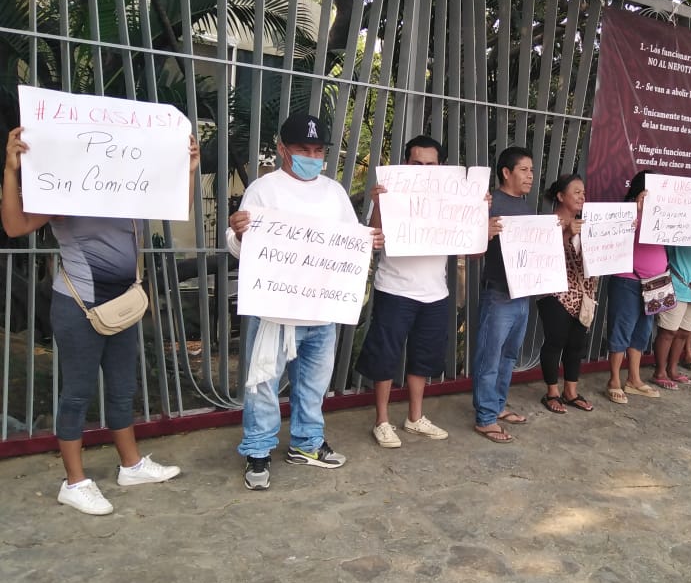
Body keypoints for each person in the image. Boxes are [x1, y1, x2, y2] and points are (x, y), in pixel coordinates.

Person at [2, 126, 198, 515]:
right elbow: (14, 226)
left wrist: (189, 168)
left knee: (124, 387)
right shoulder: (63, 192)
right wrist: (10, 170)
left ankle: (132, 465)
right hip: (79, 305)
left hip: (123, 302)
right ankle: (74, 482)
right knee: (77, 393)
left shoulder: (131, 190)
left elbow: (176, 208)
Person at [227, 113, 383, 490]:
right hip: (276, 313)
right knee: (263, 384)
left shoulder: (333, 192)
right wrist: (238, 232)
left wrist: (367, 243)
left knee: (313, 384)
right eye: (302, 149)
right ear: (283, 149)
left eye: (317, 150)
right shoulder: (264, 190)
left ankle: (307, 443)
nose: (311, 155)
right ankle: (258, 451)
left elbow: (349, 242)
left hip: (322, 310)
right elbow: (238, 250)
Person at [356, 136, 483, 448]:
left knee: (424, 357)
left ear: (440, 167)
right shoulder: (386, 193)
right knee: (385, 356)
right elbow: (374, 238)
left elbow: (472, 245)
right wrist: (380, 205)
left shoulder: (452, 197)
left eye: (431, 164)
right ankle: (382, 421)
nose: (424, 170)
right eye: (417, 164)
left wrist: (478, 208)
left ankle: (415, 417)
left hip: (435, 291)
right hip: (395, 288)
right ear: (405, 164)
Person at [471, 146, 535, 442]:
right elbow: (471, 252)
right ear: (506, 172)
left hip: (522, 293)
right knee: (490, 356)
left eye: (532, 171)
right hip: (498, 293)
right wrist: (483, 230)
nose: (530, 176)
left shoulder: (524, 205)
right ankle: (484, 417)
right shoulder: (489, 203)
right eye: (523, 170)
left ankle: (496, 406)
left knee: (509, 356)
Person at [536, 174, 598, 413]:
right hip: (554, 293)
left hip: (582, 293)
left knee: (577, 343)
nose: (582, 196)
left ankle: (571, 391)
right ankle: (552, 392)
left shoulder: (588, 224)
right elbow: (541, 255)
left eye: (583, 192)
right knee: (556, 340)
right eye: (576, 192)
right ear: (561, 196)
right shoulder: (546, 224)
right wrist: (565, 234)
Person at [604, 171, 662, 404]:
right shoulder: (625, 211)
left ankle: (634, 379)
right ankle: (614, 380)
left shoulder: (664, 213)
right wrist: (636, 209)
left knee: (642, 331)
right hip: (627, 279)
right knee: (621, 329)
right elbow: (613, 236)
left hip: (655, 282)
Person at [651, 244, 691, 388]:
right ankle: (659, 372)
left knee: (684, 332)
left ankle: (672, 369)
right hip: (676, 284)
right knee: (668, 331)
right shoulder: (681, 222)